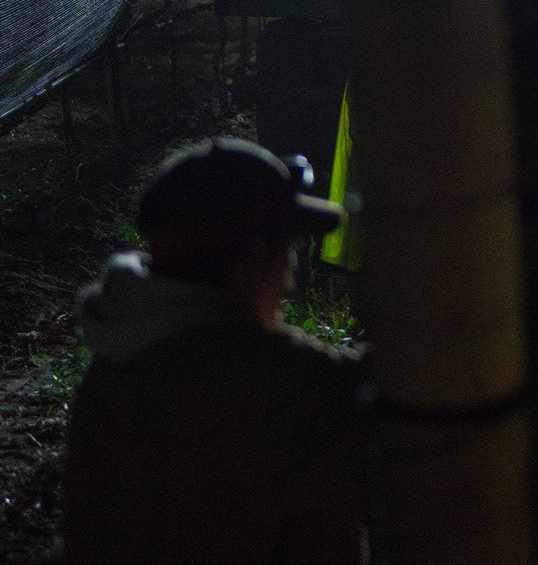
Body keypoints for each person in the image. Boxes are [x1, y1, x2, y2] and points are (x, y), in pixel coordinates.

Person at [64, 138, 372, 565]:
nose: (289, 282)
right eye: (287, 253)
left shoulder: (117, 363)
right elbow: (404, 397)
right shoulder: (267, 379)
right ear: (252, 256)